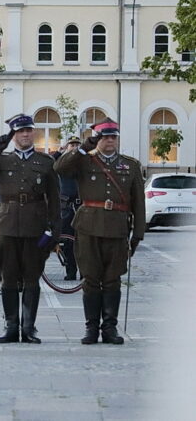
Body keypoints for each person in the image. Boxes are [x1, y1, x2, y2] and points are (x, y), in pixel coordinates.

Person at [53, 118, 145, 345]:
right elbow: (59, 167)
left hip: (117, 228)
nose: (110, 141)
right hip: (88, 228)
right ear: (98, 139)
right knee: (91, 280)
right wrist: (85, 146)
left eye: (113, 137)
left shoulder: (130, 165)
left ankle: (110, 328)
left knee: (112, 280)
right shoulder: (85, 161)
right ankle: (91, 328)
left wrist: (138, 234)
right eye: (105, 137)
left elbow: (139, 202)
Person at [0, 113, 60, 344]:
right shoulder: (2, 160)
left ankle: (29, 327)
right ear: (13, 135)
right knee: (8, 277)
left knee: (32, 277)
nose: (25, 135)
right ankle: (11, 326)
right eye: (20, 131)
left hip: (35, 224)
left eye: (28, 130)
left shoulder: (45, 162)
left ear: (34, 133)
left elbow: (54, 198)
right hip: (8, 224)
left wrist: (55, 231)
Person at [53, 135, 82, 281]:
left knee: (82, 242)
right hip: (66, 207)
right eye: (72, 145)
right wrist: (59, 152)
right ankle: (71, 271)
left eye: (77, 145)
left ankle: (84, 272)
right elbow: (50, 164)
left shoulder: (83, 162)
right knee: (68, 242)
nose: (74, 147)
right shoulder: (61, 163)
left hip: (81, 206)